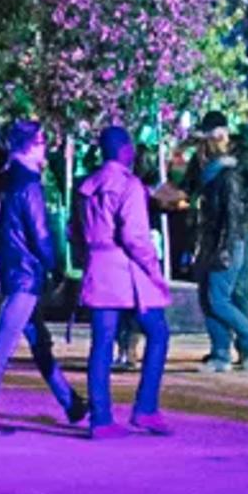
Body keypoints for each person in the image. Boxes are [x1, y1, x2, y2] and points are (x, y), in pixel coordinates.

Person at [0, 125, 79, 437]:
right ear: (28, 147)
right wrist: (55, 266)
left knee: (39, 342)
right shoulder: (28, 183)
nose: (45, 149)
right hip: (25, 274)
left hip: (13, 268)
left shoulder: (10, 178)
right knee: (3, 344)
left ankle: (71, 403)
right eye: (41, 142)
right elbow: (39, 231)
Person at [74, 128, 176, 437]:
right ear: (125, 151)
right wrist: (154, 271)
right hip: (128, 271)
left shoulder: (85, 187)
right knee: (158, 332)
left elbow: (74, 232)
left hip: (98, 267)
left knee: (102, 343)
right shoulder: (129, 186)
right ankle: (145, 408)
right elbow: (135, 237)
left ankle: (101, 418)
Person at [189, 126, 248, 372]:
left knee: (219, 299)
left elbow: (230, 216)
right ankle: (220, 353)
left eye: (202, 147)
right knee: (208, 300)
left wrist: (226, 247)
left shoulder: (227, 176)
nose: (197, 153)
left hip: (226, 243)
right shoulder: (209, 176)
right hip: (210, 241)